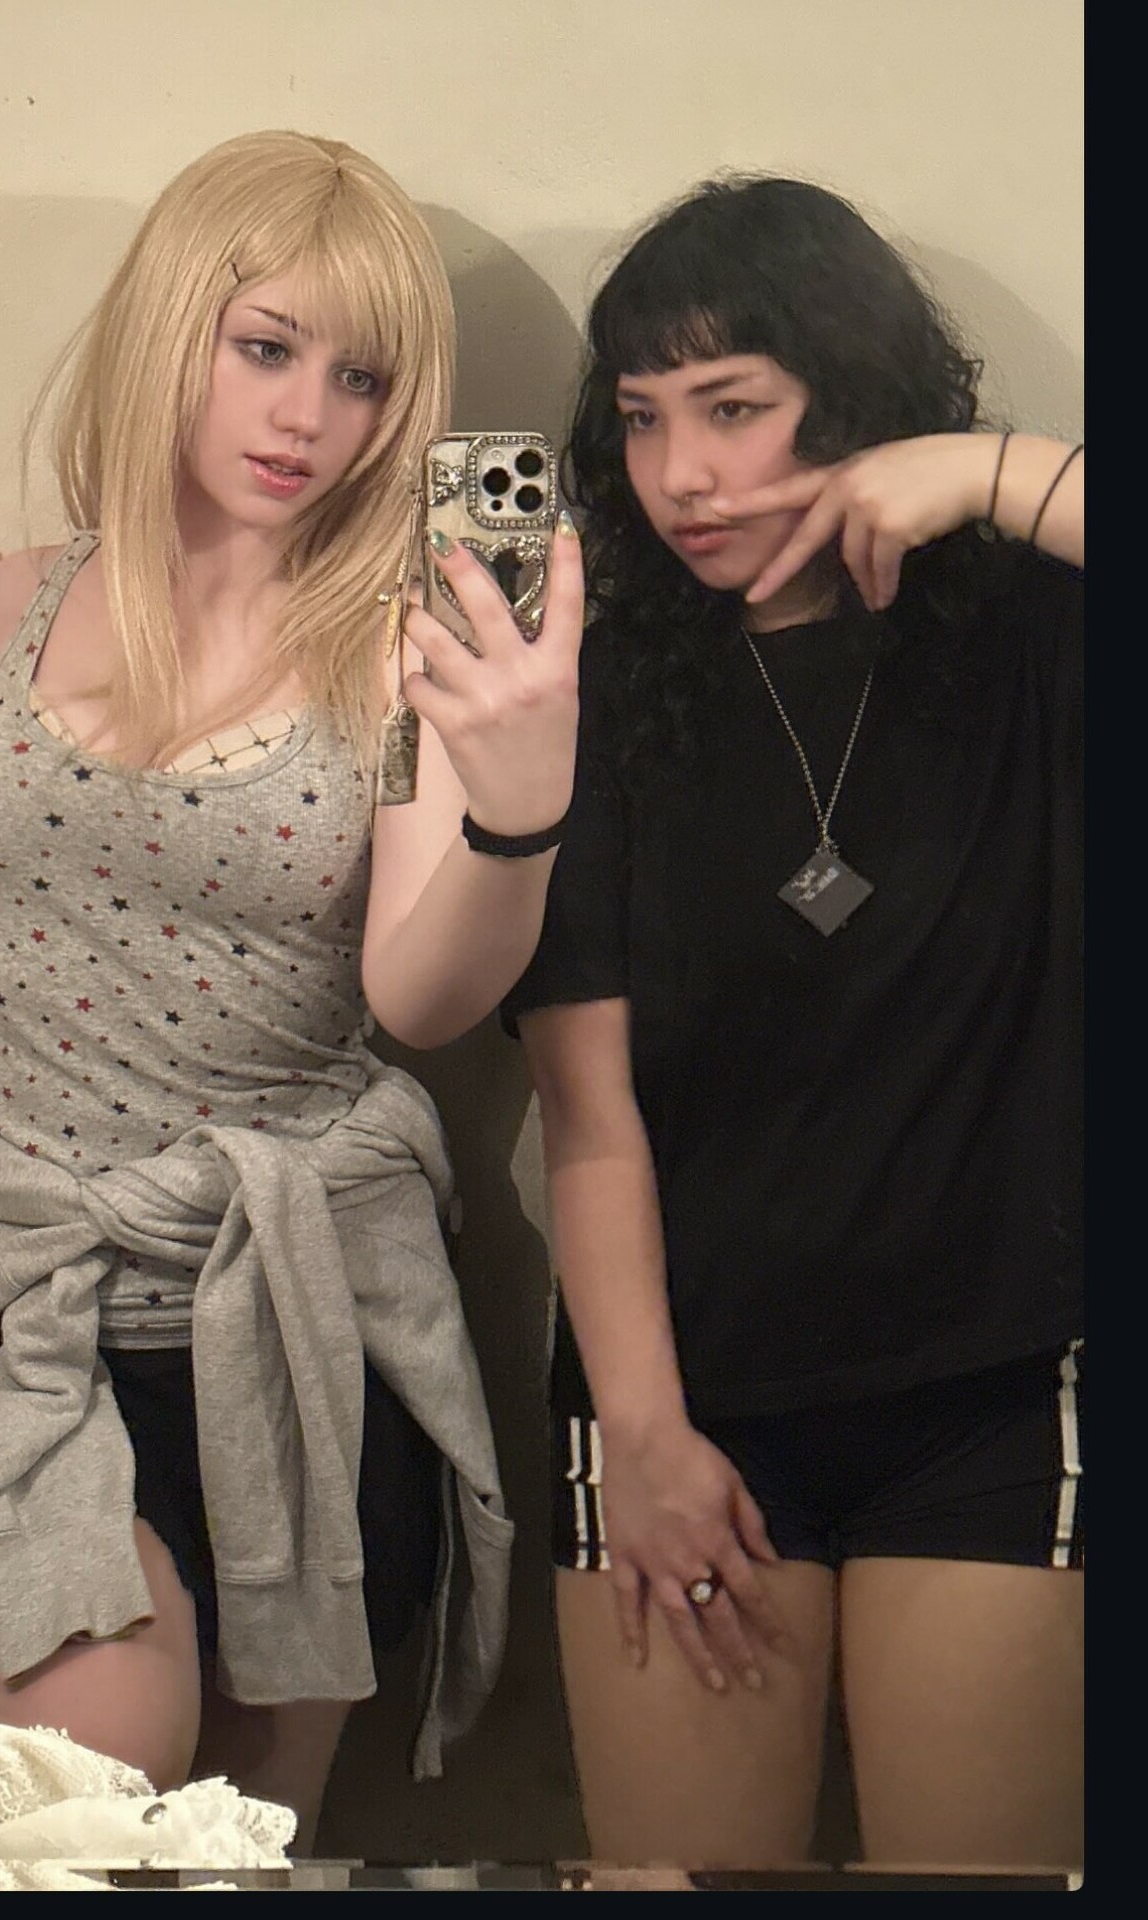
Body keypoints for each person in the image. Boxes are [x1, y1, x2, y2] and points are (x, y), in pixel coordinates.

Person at [0, 129, 583, 1846]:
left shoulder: (400, 642)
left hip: (288, 1310)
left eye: (362, 380)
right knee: (88, 1808)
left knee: (242, 1846)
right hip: (14, 1279)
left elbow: (419, 994)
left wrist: (517, 818)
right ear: (168, 327)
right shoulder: (21, 595)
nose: (308, 419)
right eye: (266, 347)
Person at [505, 174, 1083, 1871]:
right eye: (643, 420)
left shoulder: (1024, 634)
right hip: (678, 1395)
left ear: (855, 394)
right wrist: (644, 1434)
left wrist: (992, 472)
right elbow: (586, 1113)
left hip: (992, 1384)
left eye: (735, 408)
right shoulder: (595, 681)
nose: (682, 475)